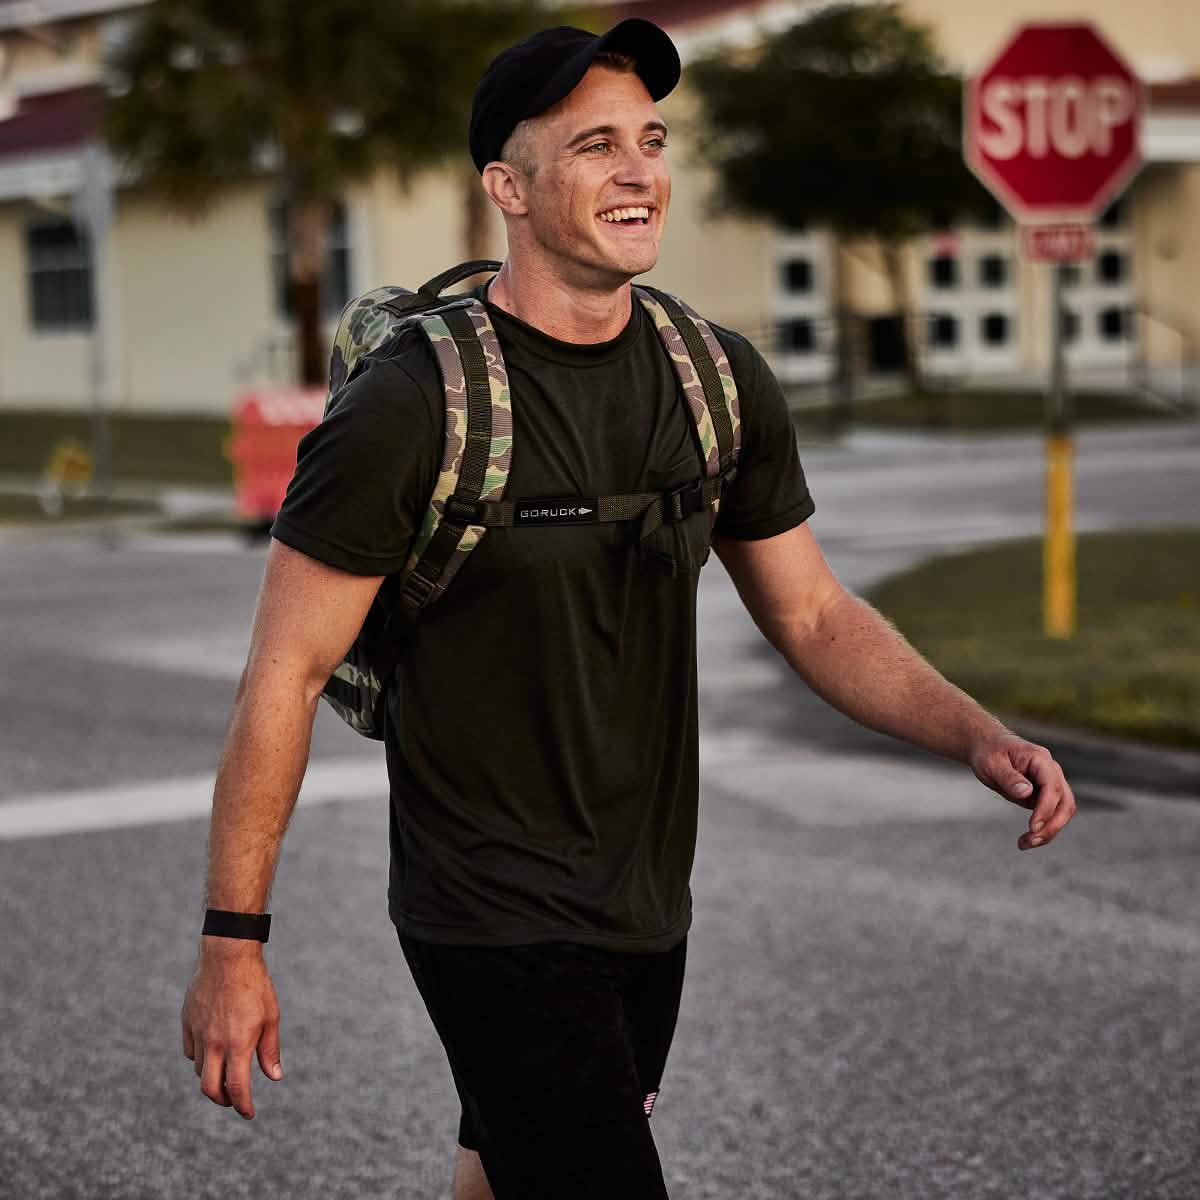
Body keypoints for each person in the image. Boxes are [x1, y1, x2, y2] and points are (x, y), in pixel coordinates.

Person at [180, 18, 1076, 1199]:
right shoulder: (414, 403)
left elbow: (809, 613)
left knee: (502, 1169)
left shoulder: (717, 380)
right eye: (595, 144)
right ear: (510, 185)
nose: (640, 169)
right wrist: (232, 945)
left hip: (648, 898)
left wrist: (977, 732)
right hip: (488, 907)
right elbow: (283, 675)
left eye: (649, 139)